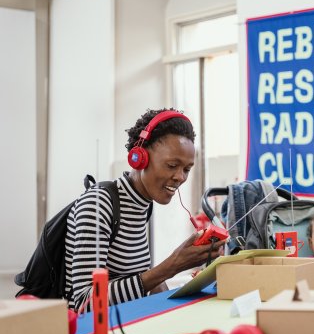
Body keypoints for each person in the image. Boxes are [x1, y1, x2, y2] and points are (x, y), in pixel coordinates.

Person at [64, 109, 222, 312]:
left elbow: (143, 278)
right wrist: (171, 266)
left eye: (186, 169)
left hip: (124, 324)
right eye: (172, 165)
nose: (180, 177)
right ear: (139, 157)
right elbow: (86, 303)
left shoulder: (141, 204)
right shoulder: (99, 203)